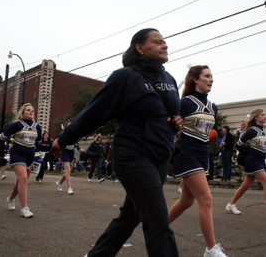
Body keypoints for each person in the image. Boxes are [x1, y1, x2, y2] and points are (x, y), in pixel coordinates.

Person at [51, 28, 182, 257]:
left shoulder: (169, 79)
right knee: (157, 221)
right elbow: (94, 112)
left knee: (130, 217)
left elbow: (170, 114)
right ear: (140, 48)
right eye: (158, 41)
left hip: (160, 155)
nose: (165, 45)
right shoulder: (125, 77)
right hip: (133, 154)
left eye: (165, 41)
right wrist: (63, 140)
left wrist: (176, 121)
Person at [168, 65, 227, 257]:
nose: (211, 79)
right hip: (186, 153)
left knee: (186, 201)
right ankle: (211, 248)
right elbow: (168, 126)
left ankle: (156, 228)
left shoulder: (213, 107)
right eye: (207, 76)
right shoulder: (184, 103)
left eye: (212, 76)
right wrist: (169, 154)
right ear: (195, 79)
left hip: (203, 155)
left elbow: (206, 132)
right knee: (206, 199)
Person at [226, 109, 266, 220]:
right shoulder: (252, 131)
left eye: (265, 114)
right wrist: (246, 154)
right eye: (262, 115)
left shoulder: (265, 131)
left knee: (246, 185)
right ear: (256, 117)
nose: (265, 116)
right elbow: (239, 144)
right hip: (252, 161)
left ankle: (231, 204)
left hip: (260, 161)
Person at [0, 103, 41, 218]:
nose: (31, 112)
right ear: (22, 113)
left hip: (30, 156)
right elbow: (2, 137)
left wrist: (40, 152)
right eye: (28, 110)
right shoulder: (17, 125)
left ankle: (10, 199)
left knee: (21, 180)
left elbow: (39, 143)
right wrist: (1, 153)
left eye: (32, 110)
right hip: (17, 154)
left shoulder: (37, 127)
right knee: (23, 178)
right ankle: (24, 208)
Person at [56, 122, 74, 195]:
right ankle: (69, 188)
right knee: (68, 169)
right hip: (65, 152)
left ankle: (60, 183)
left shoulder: (74, 133)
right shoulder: (63, 134)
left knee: (68, 171)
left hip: (71, 152)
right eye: (69, 125)